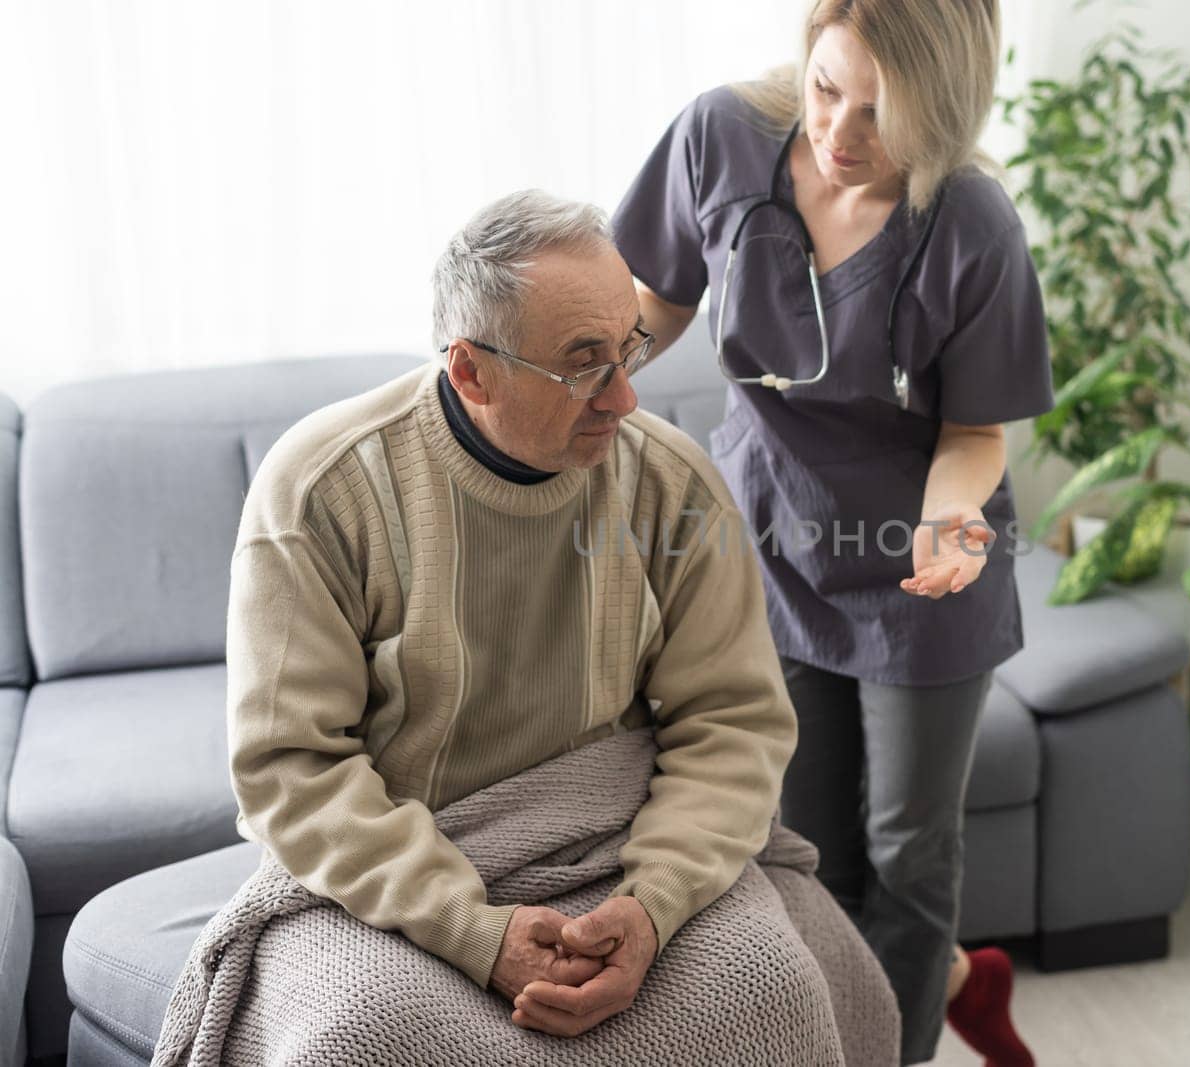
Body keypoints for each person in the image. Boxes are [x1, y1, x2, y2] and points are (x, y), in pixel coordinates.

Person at [224, 189, 800, 1039]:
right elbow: (290, 767)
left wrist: (652, 903)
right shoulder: (320, 489)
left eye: (629, 349)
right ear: (469, 369)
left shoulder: (671, 483)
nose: (625, 400)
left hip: (619, 834)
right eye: (582, 364)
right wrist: (472, 930)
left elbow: (733, 720)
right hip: (401, 855)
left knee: (770, 987)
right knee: (355, 1035)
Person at [612, 1, 1052, 1063]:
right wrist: (585, 367)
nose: (838, 134)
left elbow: (975, 430)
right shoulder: (717, 136)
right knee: (806, 851)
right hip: (772, 547)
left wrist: (950, 519)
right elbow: (660, 298)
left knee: (908, 854)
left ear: (941, 107)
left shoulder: (971, 224)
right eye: (823, 89)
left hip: (923, 576)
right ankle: (946, 983)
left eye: (878, 111)